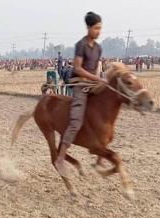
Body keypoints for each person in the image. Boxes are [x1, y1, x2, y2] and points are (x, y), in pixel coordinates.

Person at [55, 12, 107, 177]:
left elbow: (98, 66)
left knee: (104, 115)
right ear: (89, 28)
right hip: (80, 85)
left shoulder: (98, 48)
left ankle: (100, 157)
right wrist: (95, 78)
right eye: (96, 28)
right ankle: (61, 157)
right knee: (76, 120)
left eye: (100, 28)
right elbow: (77, 68)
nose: (99, 31)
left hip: (93, 84)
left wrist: (99, 80)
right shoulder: (81, 45)